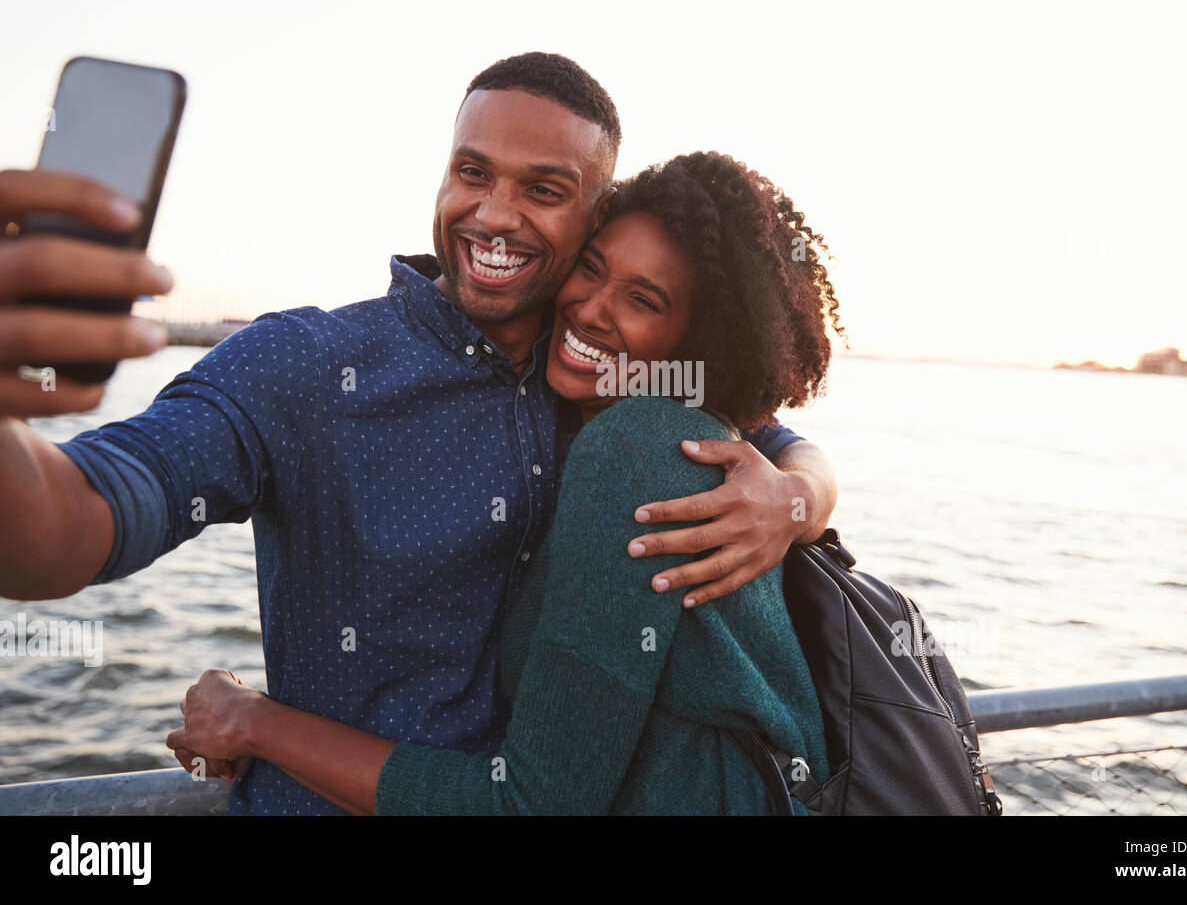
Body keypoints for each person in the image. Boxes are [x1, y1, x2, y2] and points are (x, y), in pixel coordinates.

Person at [0, 53, 838, 813]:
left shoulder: (601, 374)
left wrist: (796, 498)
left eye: (544, 190)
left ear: (597, 213)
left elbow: (763, 434)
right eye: (472, 172)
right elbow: (76, 521)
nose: (494, 215)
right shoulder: (306, 365)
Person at [167, 150, 845, 814]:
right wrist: (801, 494)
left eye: (642, 299)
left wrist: (256, 723)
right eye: (591, 267)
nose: (590, 309)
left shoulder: (633, 451)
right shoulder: (669, 428)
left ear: (700, 341)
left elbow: (528, 804)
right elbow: (788, 448)